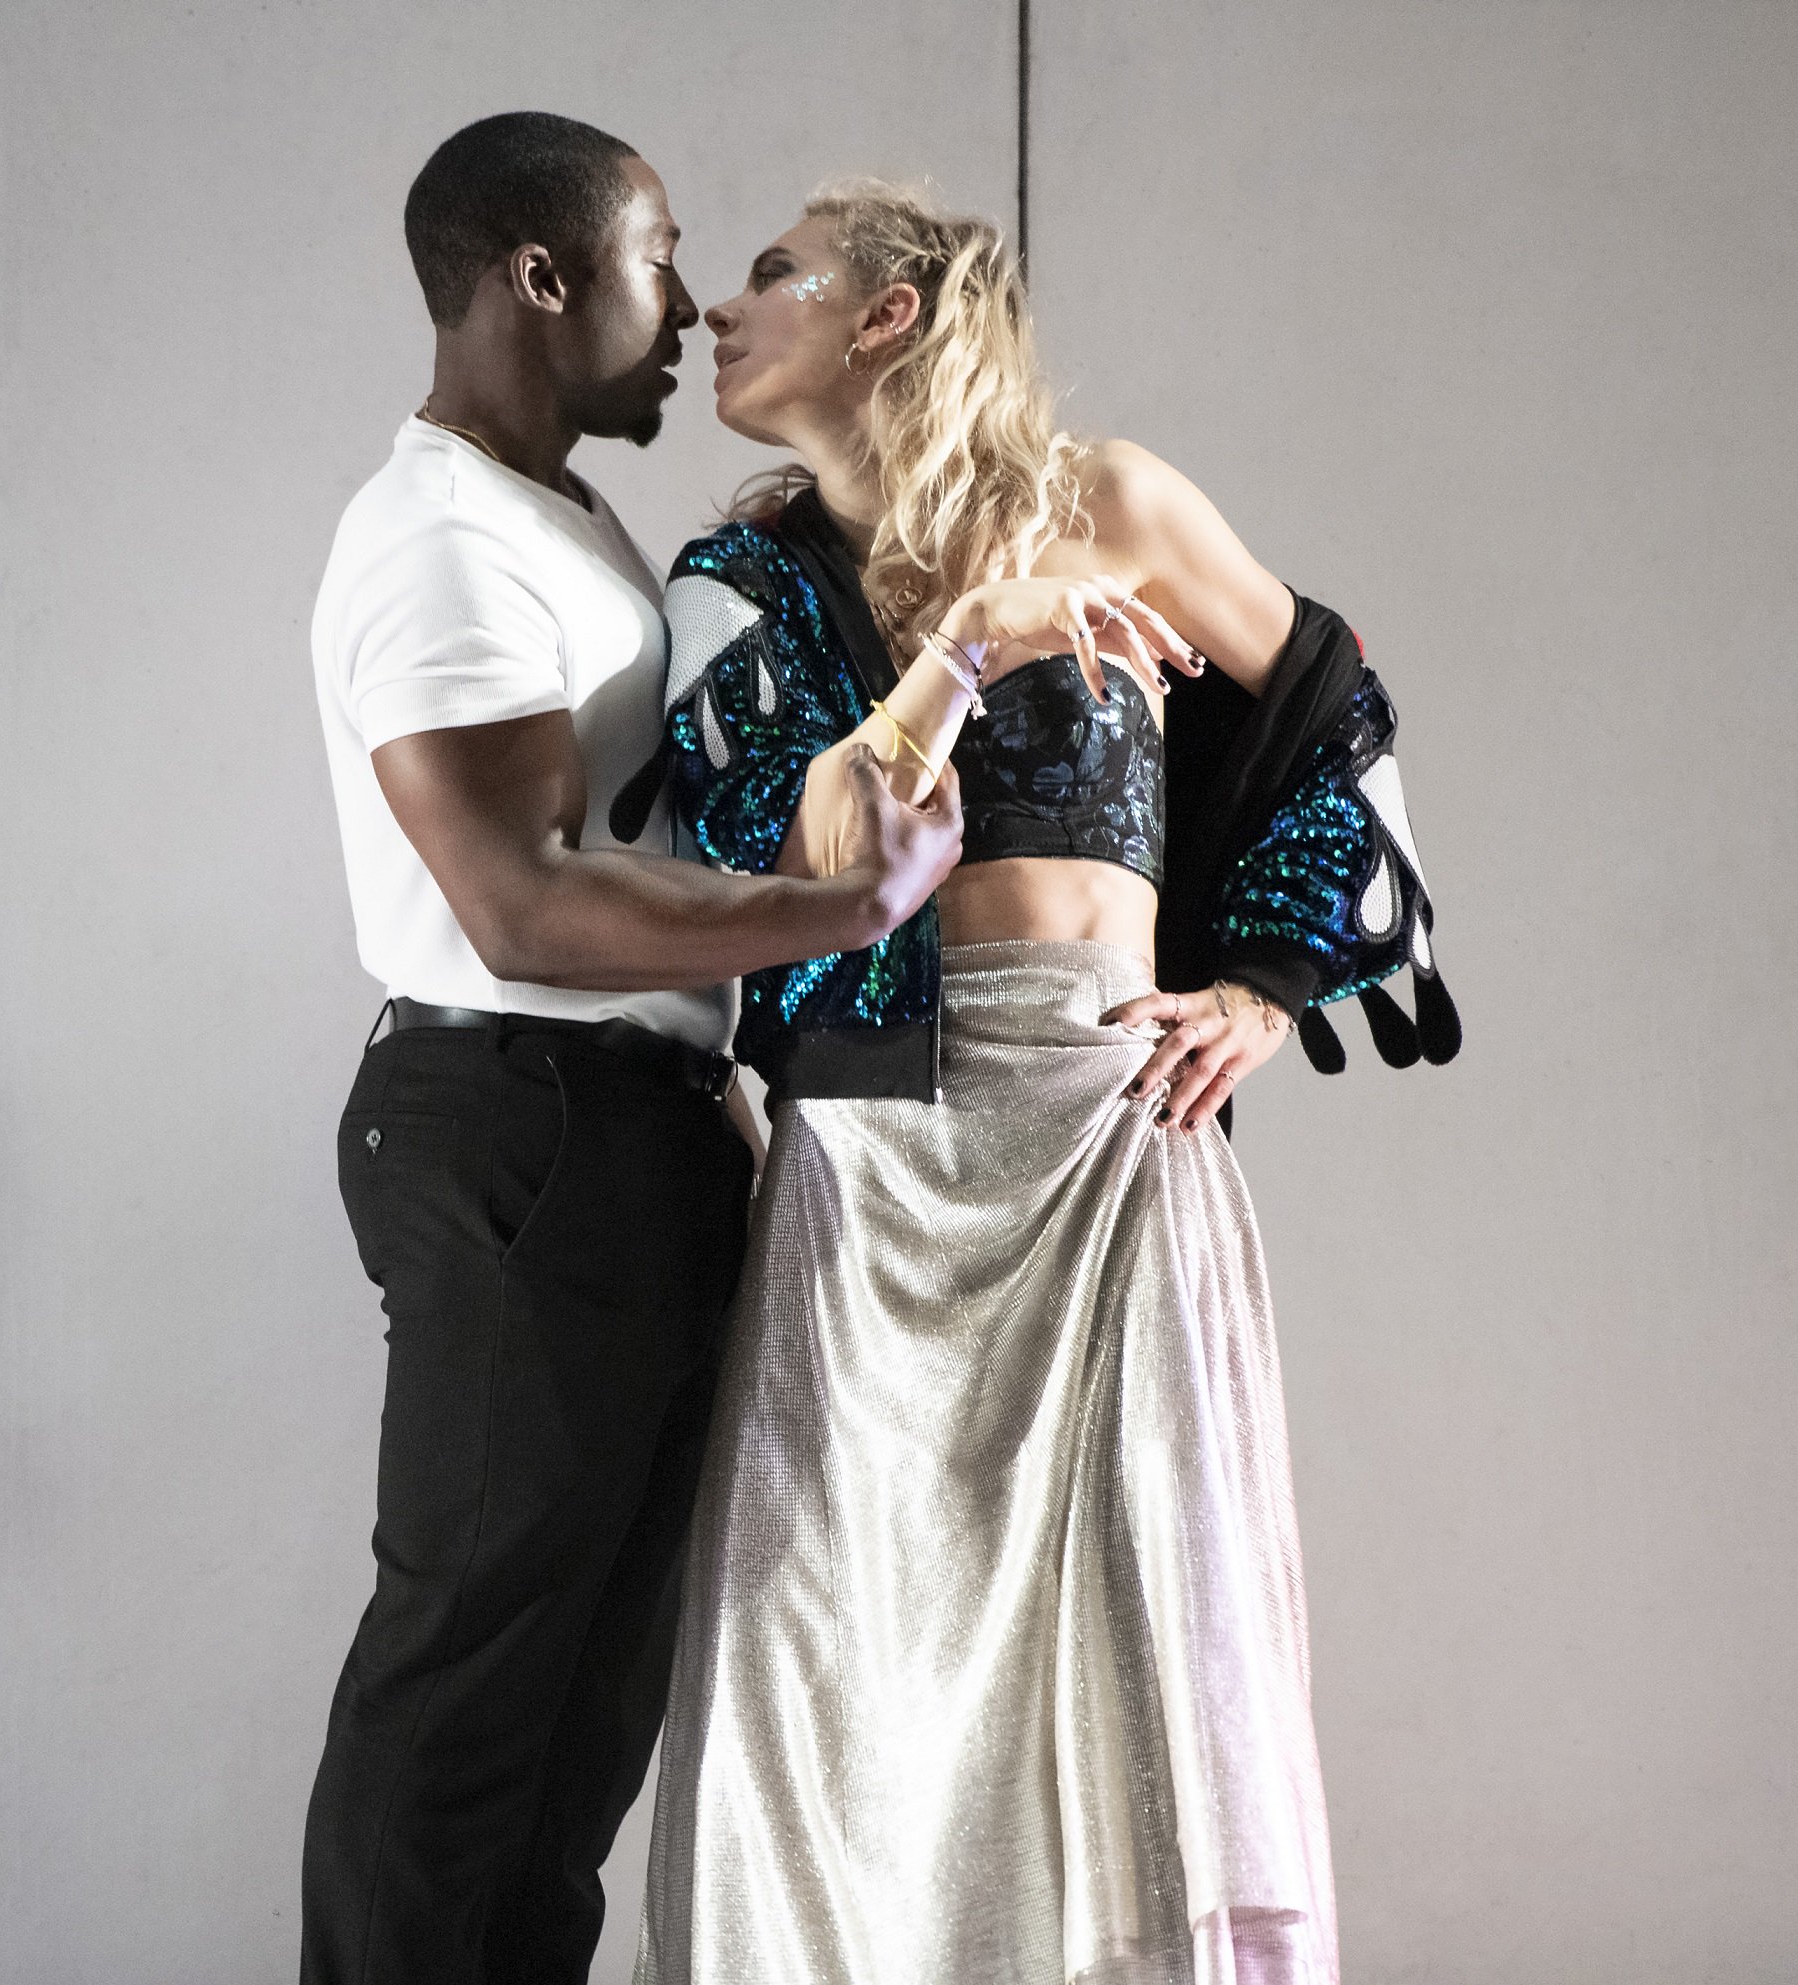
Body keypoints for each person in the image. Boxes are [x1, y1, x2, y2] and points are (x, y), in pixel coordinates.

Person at [627, 179, 1455, 1985]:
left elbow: (1342, 717)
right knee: (836, 1659)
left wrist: (1263, 982)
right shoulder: (733, 584)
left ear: (887, 315)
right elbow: (793, 861)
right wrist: (965, 649)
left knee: (1137, 1632)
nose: (715, 312)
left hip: (1106, 1127)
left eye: (770, 275)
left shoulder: (1119, 503)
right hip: (869, 1163)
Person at [297, 116, 1031, 1985]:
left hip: (619, 1129)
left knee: (574, 1722)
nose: (690, 301)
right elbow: (521, 903)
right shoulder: (439, 537)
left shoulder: (551, 519)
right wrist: (839, 911)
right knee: (469, 1687)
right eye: (660, 254)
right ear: (541, 279)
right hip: (521, 1118)